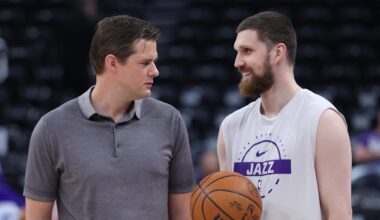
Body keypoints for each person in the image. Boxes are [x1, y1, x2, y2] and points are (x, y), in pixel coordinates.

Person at [23, 15, 194, 220]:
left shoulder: (170, 121)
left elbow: (182, 215)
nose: (155, 71)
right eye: (145, 62)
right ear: (112, 63)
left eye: (154, 62)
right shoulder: (51, 128)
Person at [216, 11, 352, 219]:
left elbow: (339, 213)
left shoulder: (323, 119)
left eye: (247, 51)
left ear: (278, 52)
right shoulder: (230, 127)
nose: (237, 62)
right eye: (237, 52)